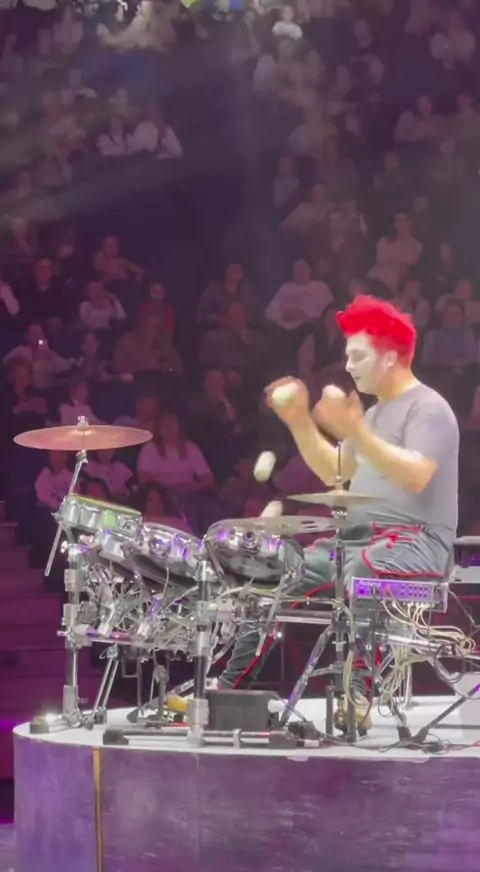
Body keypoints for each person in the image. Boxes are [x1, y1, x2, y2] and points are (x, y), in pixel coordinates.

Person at [169, 297, 459, 728]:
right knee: (277, 570)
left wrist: (354, 429)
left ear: (390, 356)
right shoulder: (375, 414)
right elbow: (335, 471)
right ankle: (226, 686)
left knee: (363, 569)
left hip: (417, 543)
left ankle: (358, 692)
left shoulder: (428, 408)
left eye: (358, 356)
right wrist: (299, 421)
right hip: (359, 540)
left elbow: (416, 475)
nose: (348, 365)